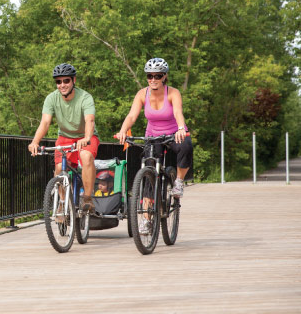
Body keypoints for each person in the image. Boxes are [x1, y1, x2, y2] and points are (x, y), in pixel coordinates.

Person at [115, 58, 193, 233]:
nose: (153, 79)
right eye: (150, 76)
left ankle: (178, 182)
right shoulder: (142, 94)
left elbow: (178, 112)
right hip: (153, 135)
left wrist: (181, 128)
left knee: (186, 146)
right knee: (149, 171)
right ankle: (146, 220)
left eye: (157, 76)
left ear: (164, 76)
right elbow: (131, 116)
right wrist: (122, 130)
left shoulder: (173, 93)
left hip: (173, 133)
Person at [28, 63, 100, 214]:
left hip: (86, 136)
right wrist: (35, 142)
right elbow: (45, 122)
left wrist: (86, 138)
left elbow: (90, 120)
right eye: (58, 82)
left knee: (86, 156)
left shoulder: (85, 97)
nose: (62, 85)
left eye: (66, 81)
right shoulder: (51, 98)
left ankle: (88, 198)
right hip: (65, 137)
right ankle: (62, 202)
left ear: (74, 80)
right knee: (60, 168)